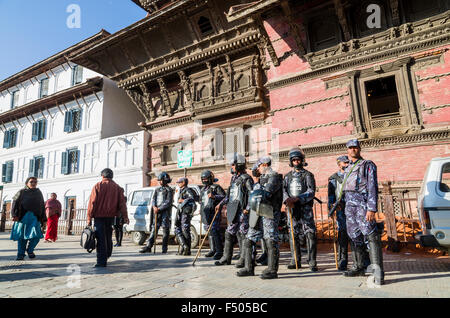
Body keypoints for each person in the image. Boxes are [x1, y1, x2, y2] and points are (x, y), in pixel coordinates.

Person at [341, 139, 384, 285]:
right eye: (350, 148)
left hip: (362, 206)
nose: (353, 150)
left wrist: (371, 208)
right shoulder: (347, 167)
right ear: (347, 150)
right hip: (350, 207)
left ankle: (378, 273)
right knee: (354, 236)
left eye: (355, 147)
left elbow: (372, 186)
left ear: (359, 149)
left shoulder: (367, 165)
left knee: (371, 236)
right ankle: (359, 266)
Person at [237, 156, 283, 279]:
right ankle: (248, 267)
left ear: (264, 165)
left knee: (270, 239)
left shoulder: (274, 177)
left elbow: (266, 193)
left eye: (258, 167)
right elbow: (255, 195)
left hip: (269, 211)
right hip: (256, 211)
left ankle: (272, 270)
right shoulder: (261, 179)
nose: (257, 169)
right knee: (249, 239)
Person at [283, 148, 318, 272]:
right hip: (292, 208)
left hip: (305, 207)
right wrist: (287, 200)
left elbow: (311, 191)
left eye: (298, 159)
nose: (296, 161)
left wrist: (298, 198)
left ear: (302, 160)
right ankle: (295, 259)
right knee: (293, 234)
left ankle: (312, 261)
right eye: (294, 160)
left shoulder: (308, 175)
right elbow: (284, 190)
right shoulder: (287, 176)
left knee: (310, 233)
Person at [215, 153, 254, 267]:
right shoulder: (233, 179)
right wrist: (221, 204)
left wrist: (248, 208)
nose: (231, 167)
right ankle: (226, 257)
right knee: (229, 233)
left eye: (233, 164)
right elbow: (229, 196)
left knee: (243, 234)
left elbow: (252, 195)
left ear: (239, 165)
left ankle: (243, 258)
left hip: (243, 211)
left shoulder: (247, 179)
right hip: (234, 211)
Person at [87, 168, 129, 267]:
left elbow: (92, 203)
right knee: (108, 236)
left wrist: (89, 218)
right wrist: (125, 216)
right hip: (111, 217)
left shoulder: (98, 186)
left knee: (100, 238)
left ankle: (101, 262)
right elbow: (122, 204)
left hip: (99, 217)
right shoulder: (118, 188)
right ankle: (107, 254)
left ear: (102, 176)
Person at [10, 177, 46, 260]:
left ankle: (30, 250)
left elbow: (42, 206)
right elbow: (14, 203)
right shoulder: (21, 192)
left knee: (36, 236)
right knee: (22, 237)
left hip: (35, 217)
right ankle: (20, 254)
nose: (33, 183)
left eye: (35, 182)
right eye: (31, 182)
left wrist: (44, 219)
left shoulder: (38, 192)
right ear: (27, 183)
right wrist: (14, 215)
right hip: (23, 217)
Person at [140, 172, 174, 253]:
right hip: (157, 212)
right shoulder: (157, 190)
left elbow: (168, 201)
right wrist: (154, 206)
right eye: (159, 180)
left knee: (165, 230)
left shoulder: (169, 190)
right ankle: (149, 246)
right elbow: (153, 199)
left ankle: (164, 248)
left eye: (162, 180)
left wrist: (159, 208)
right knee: (154, 229)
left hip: (165, 213)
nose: (160, 182)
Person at [199, 170, 226, 260]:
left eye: (206, 178)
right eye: (203, 179)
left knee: (214, 231)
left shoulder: (216, 187)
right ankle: (212, 249)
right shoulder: (202, 189)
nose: (205, 180)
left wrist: (215, 197)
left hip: (214, 213)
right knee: (209, 231)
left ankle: (219, 251)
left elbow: (224, 197)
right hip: (206, 213)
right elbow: (201, 201)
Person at [174, 177, 197, 256]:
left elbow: (191, 198)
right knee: (178, 229)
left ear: (183, 182)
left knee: (185, 230)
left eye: (179, 182)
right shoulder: (182, 190)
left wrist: (183, 200)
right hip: (181, 211)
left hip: (186, 212)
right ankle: (184, 247)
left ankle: (187, 249)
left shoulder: (188, 190)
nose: (178, 183)